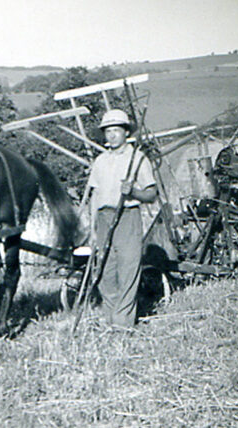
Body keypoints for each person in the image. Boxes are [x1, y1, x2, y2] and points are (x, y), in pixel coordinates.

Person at [85, 109, 157, 328]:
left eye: (116, 130)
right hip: (104, 218)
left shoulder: (138, 159)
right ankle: (110, 320)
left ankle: (122, 325)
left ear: (126, 132)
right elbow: (94, 196)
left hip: (127, 217)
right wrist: (93, 229)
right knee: (105, 272)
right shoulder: (99, 161)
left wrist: (133, 192)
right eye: (108, 131)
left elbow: (151, 194)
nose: (112, 135)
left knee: (127, 270)